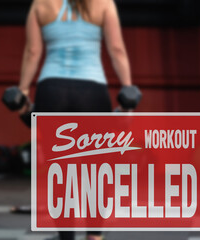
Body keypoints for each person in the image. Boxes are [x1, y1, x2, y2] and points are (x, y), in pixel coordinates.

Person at [18, 0, 133, 239]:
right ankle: (94, 235)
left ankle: (66, 237)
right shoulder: (103, 3)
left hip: (52, 90)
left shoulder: (41, 4)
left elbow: (33, 52)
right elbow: (117, 50)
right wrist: (128, 93)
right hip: (91, 92)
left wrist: (23, 93)